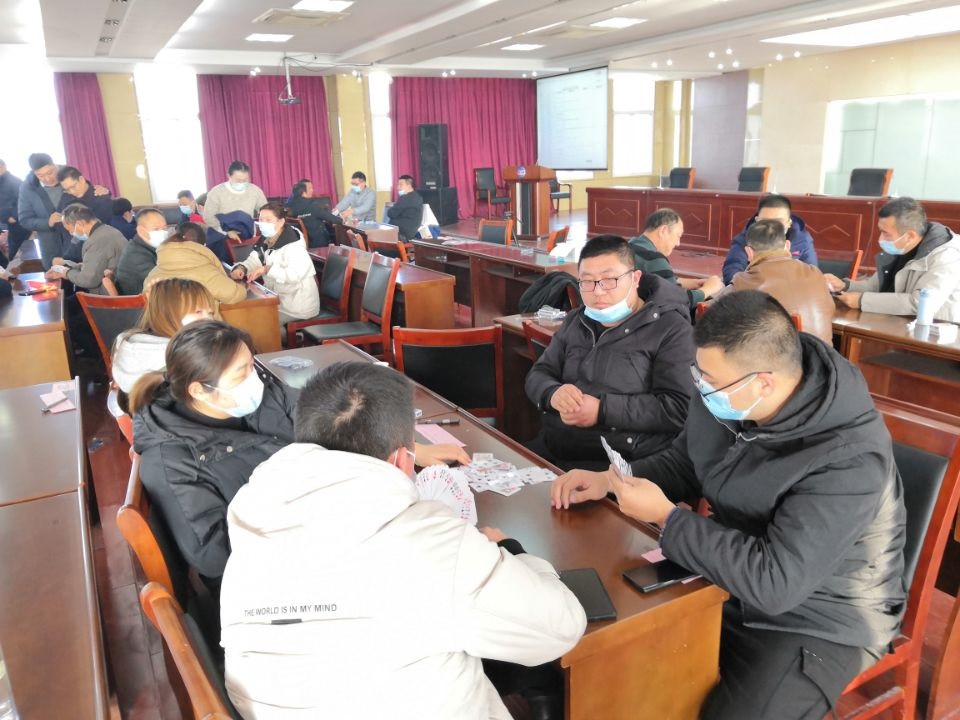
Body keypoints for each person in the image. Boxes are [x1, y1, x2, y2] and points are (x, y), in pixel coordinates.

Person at [551, 290, 907, 720]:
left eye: (710, 381)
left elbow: (776, 583)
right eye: (698, 374)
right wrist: (611, 481)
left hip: (819, 615)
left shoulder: (848, 458)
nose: (701, 388)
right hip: (730, 576)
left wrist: (667, 517)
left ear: (764, 382)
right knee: (620, 657)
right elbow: (687, 460)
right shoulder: (729, 390)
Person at [220, 361, 586, 719]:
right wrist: (510, 550)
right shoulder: (430, 542)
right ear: (403, 460)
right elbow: (561, 627)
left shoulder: (257, 512)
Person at [131, 320, 298, 585]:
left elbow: (308, 408)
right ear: (199, 390)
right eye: (241, 375)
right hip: (264, 574)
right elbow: (213, 556)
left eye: (252, 366)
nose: (254, 379)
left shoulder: (259, 395)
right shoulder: (172, 463)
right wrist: (296, 508)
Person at [525, 234, 695, 471]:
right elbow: (539, 373)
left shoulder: (671, 329)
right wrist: (552, 393)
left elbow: (679, 408)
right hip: (556, 448)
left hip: (622, 463)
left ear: (635, 278)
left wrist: (602, 411)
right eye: (587, 281)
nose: (598, 292)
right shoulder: (576, 320)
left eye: (609, 280)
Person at [827, 197, 960, 321]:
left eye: (886, 233)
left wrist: (862, 300)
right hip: (898, 323)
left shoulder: (947, 256)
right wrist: (845, 286)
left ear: (910, 236)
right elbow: (874, 287)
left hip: (938, 330)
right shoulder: (900, 247)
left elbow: (920, 303)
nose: (880, 239)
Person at [717, 219, 835, 343]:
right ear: (787, 246)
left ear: (749, 252)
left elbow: (708, 311)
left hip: (775, 354)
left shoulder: (743, 281)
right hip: (822, 354)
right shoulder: (815, 273)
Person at [112, 278, 217, 409]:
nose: (209, 319)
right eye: (198, 312)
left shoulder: (132, 345)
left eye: (211, 313)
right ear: (168, 314)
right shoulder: (182, 360)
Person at [230, 202, 320, 325]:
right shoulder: (267, 239)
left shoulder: (294, 245)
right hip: (277, 300)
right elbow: (255, 259)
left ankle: (283, 336)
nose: (263, 223)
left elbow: (295, 275)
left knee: (259, 322)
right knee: (247, 315)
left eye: (268, 220)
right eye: (261, 220)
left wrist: (267, 269)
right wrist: (242, 268)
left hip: (297, 306)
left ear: (281, 221)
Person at [629, 208, 724, 313]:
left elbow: (662, 281)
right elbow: (678, 301)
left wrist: (696, 283)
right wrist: (708, 289)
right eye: (678, 236)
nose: (678, 243)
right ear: (663, 231)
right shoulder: (654, 258)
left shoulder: (630, 246)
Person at [722, 194, 818, 284]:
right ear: (757, 221)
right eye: (765, 221)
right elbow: (732, 271)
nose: (771, 227)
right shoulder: (745, 239)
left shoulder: (802, 240)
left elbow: (812, 274)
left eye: (778, 221)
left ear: (789, 223)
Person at [143, 228, 247, 304]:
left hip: (162, 326)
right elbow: (235, 294)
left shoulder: (153, 274)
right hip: (200, 327)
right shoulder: (206, 272)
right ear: (203, 246)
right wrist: (242, 287)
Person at [45, 203, 127, 294]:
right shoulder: (107, 230)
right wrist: (67, 265)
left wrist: (66, 273)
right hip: (118, 287)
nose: (71, 233)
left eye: (70, 230)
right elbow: (97, 267)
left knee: (64, 299)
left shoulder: (97, 241)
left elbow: (88, 280)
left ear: (80, 224)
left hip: (107, 296)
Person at [202, 160, 268, 262]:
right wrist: (227, 231)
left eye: (245, 180)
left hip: (247, 234)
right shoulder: (217, 192)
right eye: (238, 180)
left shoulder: (255, 191)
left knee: (249, 262)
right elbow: (208, 217)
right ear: (229, 176)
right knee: (225, 263)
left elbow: (266, 210)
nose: (242, 183)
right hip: (220, 235)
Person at [17, 153, 68, 269]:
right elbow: (25, 220)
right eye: (40, 175)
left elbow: (87, 192)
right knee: (56, 278)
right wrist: (47, 222)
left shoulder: (69, 174)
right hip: (51, 246)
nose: (47, 179)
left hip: (77, 242)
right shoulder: (27, 188)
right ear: (34, 172)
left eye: (50, 173)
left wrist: (103, 192)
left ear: (54, 165)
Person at [115, 208, 168, 295]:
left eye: (165, 228)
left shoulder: (149, 246)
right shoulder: (136, 254)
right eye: (156, 229)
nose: (163, 232)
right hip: (139, 300)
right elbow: (162, 282)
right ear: (141, 231)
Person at [287, 179, 340, 248]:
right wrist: (343, 218)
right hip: (319, 244)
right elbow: (335, 219)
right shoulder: (311, 207)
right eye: (310, 188)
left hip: (300, 244)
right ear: (303, 193)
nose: (312, 190)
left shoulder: (290, 207)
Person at [0, 159, 30, 261]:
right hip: (9, 223)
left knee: (19, 252)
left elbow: (23, 200)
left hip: (18, 223)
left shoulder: (13, 181)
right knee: (16, 252)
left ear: (3, 167)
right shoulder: (3, 181)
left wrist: (13, 217)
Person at [386, 174, 424, 241]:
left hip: (401, 235)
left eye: (401, 185)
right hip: (406, 234)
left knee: (373, 236)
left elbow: (391, 213)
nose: (398, 187)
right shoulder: (417, 197)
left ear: (409, 185)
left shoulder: (406, 198)